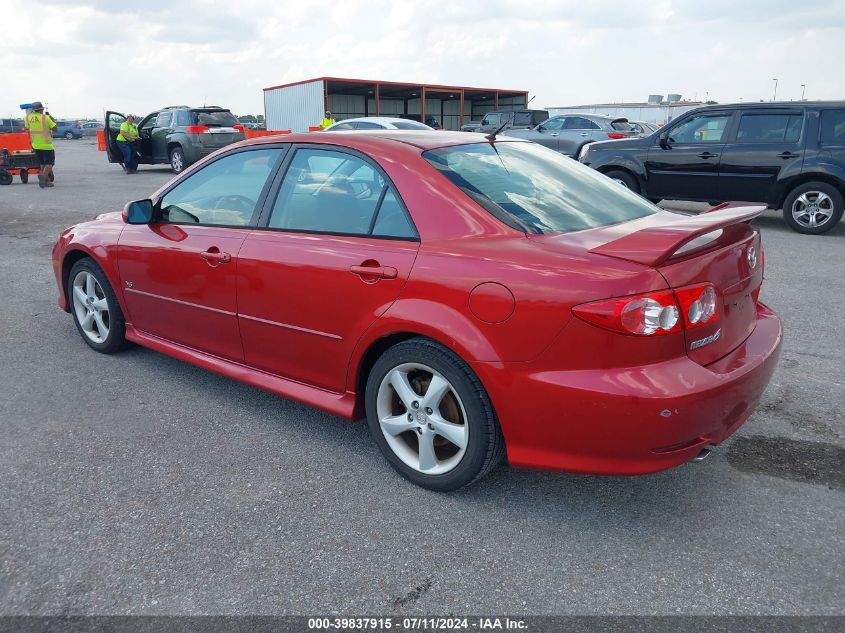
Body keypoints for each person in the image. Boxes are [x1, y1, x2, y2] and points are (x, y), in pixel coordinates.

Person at [24, 101, 57, 188]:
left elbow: (27, 128)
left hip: (35, 145)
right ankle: (43, 176)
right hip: (46, 145)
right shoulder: (45, 118)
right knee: (50, 163)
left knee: (42, 163)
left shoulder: (27, 118)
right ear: (41, 109)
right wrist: (52, 119)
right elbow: (55, 129)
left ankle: (46, 182)